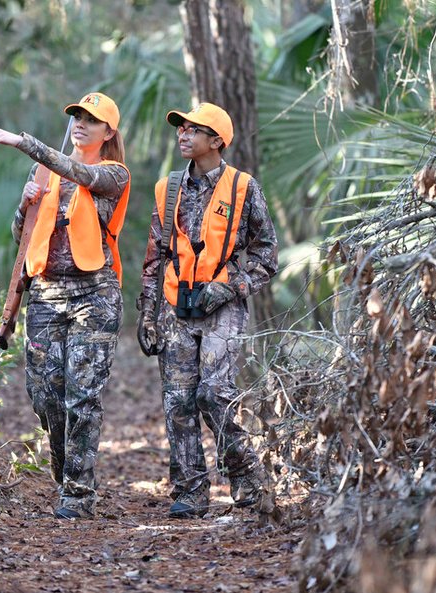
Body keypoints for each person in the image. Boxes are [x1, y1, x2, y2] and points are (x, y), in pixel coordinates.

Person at [0, 92, 130, 520]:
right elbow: (21, 235)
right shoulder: (43, 172)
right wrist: (26, 203)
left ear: (108, 132)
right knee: (45, 395)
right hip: (46, 294)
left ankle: (79, 494)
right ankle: (67, 470)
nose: (81, 123)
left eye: (91, 119)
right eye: (77, 116)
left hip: (94, 296)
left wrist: (23, 142)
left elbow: (76, 171)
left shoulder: (113, 173)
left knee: (83, 395)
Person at [136, 102, 277, 519]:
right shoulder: (168, 188)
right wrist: (147, 312)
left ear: (217, 141)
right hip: (175, 306)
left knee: (214, 393)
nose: (183, 135)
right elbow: (154, 256)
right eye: (180, 128)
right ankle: (190, 491)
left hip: (222, 306)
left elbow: (266, 253)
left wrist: (229, 286)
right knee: (178, 400)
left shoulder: (242, 187)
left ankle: (248, 480)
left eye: (193, 130)